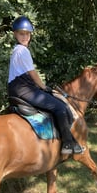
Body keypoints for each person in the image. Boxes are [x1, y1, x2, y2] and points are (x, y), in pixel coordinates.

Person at [7, 16, 82, 154]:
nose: (25, 37)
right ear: (15, 34)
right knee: (60, 106)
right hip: (24, 89)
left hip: (18, 88)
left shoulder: (16, 50)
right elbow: (33, 74)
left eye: (27, 34)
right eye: (21, 34)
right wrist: (43, 87)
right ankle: (67, 143)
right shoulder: (23, 50)